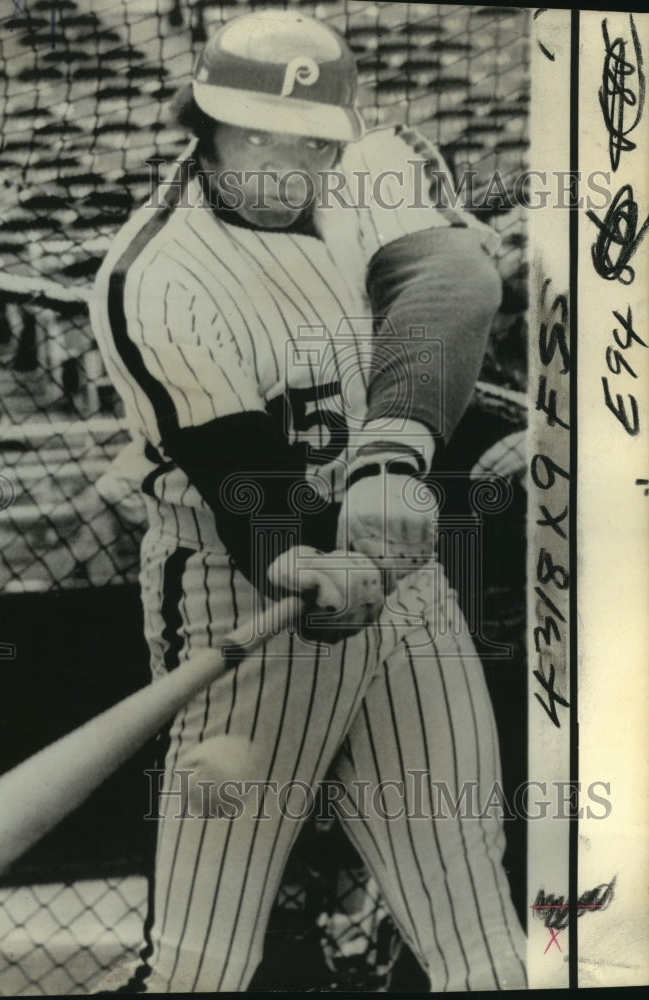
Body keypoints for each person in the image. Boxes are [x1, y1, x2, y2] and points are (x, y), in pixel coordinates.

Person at [89, 10, 526, 992]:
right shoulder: (157, 275)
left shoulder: (374, 161)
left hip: (400, 570)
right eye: (259, 134)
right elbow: (238, 473)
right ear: (202, 126)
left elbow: (450, 283)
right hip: (243, 590)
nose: (293, 165)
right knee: (204, 962)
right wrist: (298, 555)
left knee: (480, 933)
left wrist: (391, 454)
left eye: (314, 140)